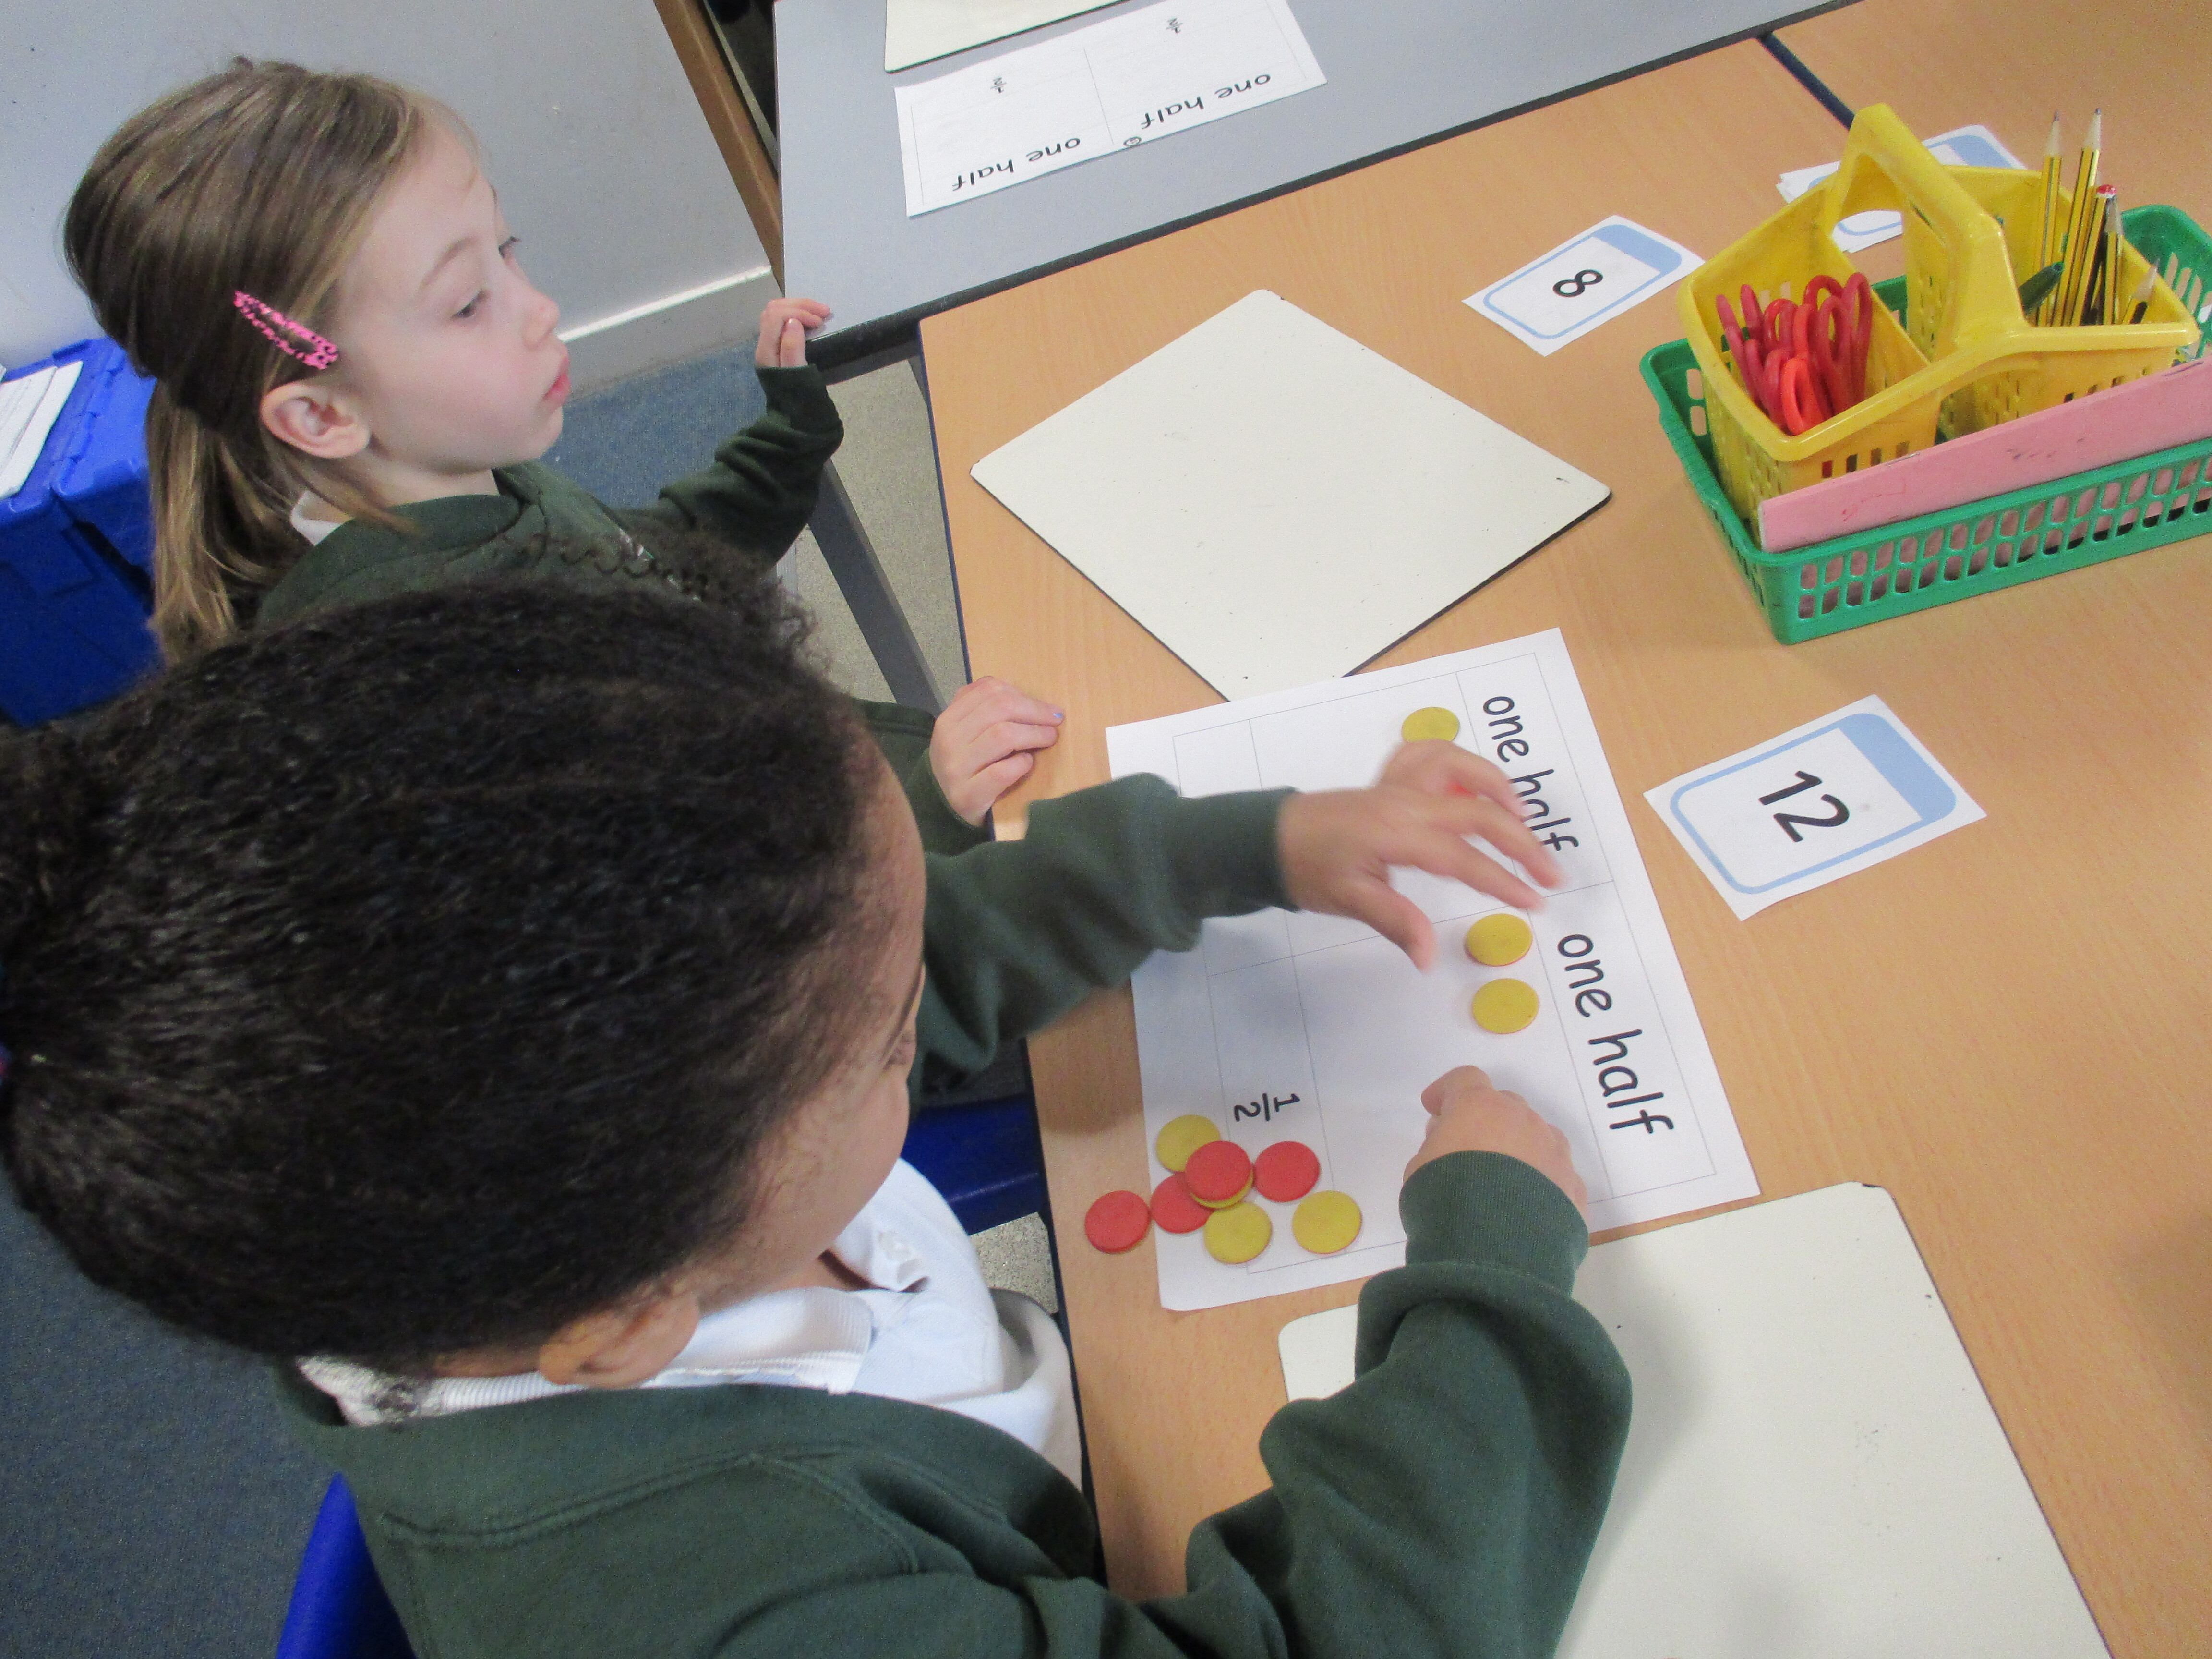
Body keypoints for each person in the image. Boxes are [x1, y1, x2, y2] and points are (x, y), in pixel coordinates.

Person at [0, 579, 1629, 1659]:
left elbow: (905, 952)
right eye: (887, 1042)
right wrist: (1490, 1264)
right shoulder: (737, 1610)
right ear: (628, 1323)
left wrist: (1246, 844)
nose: (922, 999)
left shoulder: (519, 1188)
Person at [63, 57, 1055, 844]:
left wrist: (785, 437)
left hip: (864, 786)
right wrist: (929, 814)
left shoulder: (459, 482)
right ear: (322, 417)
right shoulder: (458, 682)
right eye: (467, 303)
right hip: (873, 896)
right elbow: (721, 917)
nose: (538, 310)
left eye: (506, 250)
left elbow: (648, 564)